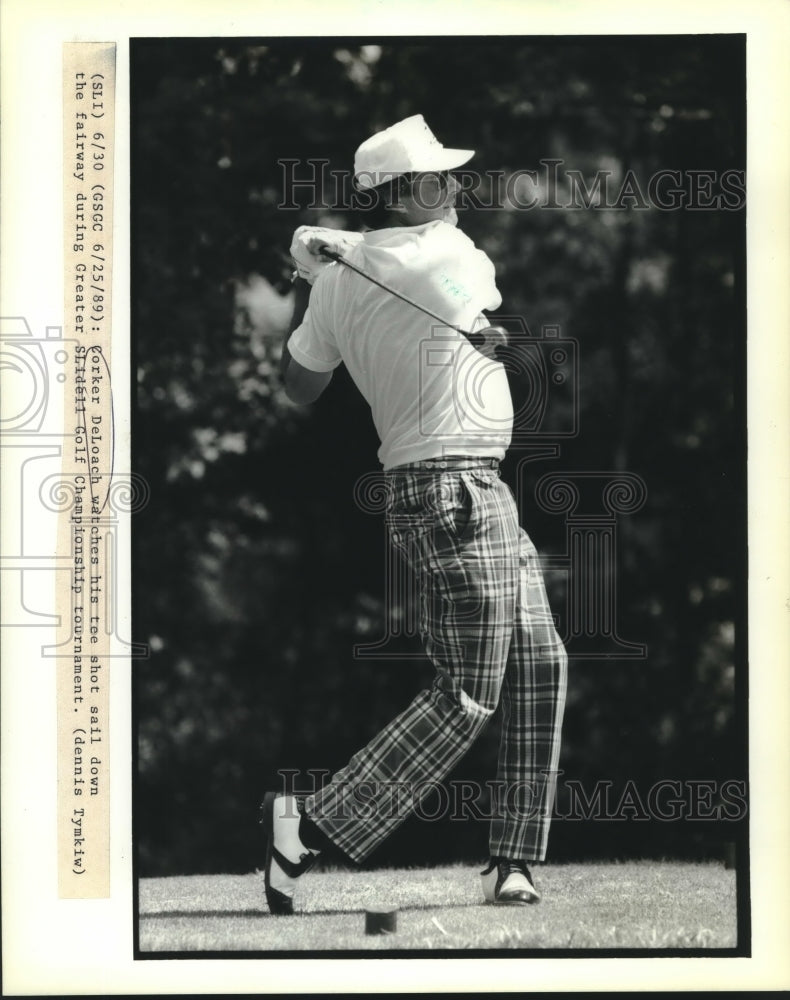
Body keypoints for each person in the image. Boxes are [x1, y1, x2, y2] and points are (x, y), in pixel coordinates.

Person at [263, 114, 567, 913]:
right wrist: (335, 251)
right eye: (441, 178)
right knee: (468, 692)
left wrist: (311, 272)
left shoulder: (338, 279)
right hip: (455, 488)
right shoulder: (451, 253)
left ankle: (513, 860)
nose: (457, 187)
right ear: (406, 193)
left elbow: (299, 388)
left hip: (457, 490)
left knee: (540, 662)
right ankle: (312, 825)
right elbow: (426, 266)